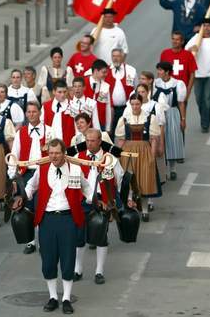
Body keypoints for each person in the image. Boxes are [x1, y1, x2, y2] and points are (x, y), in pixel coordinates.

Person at [12, 139, 90, 314]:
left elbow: (87, 189)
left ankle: (67, 298)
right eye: (51, 153)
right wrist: (22, 197)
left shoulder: (75, 170)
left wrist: (98, 201)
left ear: (64, 153)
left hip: (68, 219)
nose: (53, 156)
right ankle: (53, 297)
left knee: (68, 259)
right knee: (48, 260)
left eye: (57, 153)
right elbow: (31, 185)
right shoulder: (42, 168)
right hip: (47, 220)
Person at [73, 128, 123, 284]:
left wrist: (112, 198)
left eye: (92, 140)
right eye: (87, 140)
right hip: (84, 200)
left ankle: (99, 272)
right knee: (79, 236)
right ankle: (78, 269)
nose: (89, 143)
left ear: (100, 141)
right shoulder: (78, 157)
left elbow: (119, 175)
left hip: (103, 200)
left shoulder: (110, 158)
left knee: (101, 234)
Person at [8, 101, 51, 255]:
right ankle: (30, 241)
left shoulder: (50, 131)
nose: (31, 114)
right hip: (26, 173)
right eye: (29, 112)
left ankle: (42, 241)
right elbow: (14, 155)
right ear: (26, 114)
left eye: (34, 111)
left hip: (45, 173)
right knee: (27, 206)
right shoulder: (21, 132)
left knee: (42, 206)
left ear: (40, 113)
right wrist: (13, 176)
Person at [115, 94, 161, 222]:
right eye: (133, 104)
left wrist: (152, 156)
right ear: (130, 104)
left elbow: (153, 139)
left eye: (137, 104)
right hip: (127, 151)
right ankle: (129, 208)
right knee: (128, 180)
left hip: (144, 151)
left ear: (141, 104)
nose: (135, 106)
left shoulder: (150, 118)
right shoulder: (124, 119)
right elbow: (121, 140)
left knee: (144, 180)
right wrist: (117, 156)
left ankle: (145, 210)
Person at [153, 62, 187, 180]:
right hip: (158, 113)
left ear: (167, 72)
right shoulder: (155, 83)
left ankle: (172, 169)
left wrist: (183, 119)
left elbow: (181, 103)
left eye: (160, 70)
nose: (158, 72)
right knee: (161, 140)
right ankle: (163, 169)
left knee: (171, 140)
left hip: (172, 113)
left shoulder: (178, 84)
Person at [105, 48, 137, 136]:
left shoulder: (131, 70)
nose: (115, 58)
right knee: (109, 134)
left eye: (118, 56)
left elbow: (136, 90)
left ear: (122, 57)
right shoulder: (105, 71)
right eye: (113, 56)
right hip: (110, 109)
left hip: (126, 108)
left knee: (126, 133)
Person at [160, 31, 198, 100]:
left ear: (182, 42)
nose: (174, 41)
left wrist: (188, 90)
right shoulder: (165, 53)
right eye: (173, 39)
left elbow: (192, 74)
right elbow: (160, 72)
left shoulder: (188, 55)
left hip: (182, 89)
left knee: (181, 110)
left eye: (177, 39)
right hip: (167, 88)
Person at [41, 79, 76, 152]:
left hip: (68, 147)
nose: (62, 95)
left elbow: (78, 128)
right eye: (59, 92)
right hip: (50, 148)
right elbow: (41, 126)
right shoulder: (46, 106)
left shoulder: (73, 106)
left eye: (64, 92)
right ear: (54, 92)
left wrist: (74, 149)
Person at [83, 60, 112, 132]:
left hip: (101, 124)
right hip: (85, 124)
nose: (106, 74)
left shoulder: (105, 87)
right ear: (96, 71)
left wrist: (108, 127)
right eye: (103, 72)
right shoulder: (83, 83)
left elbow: (107, 107)